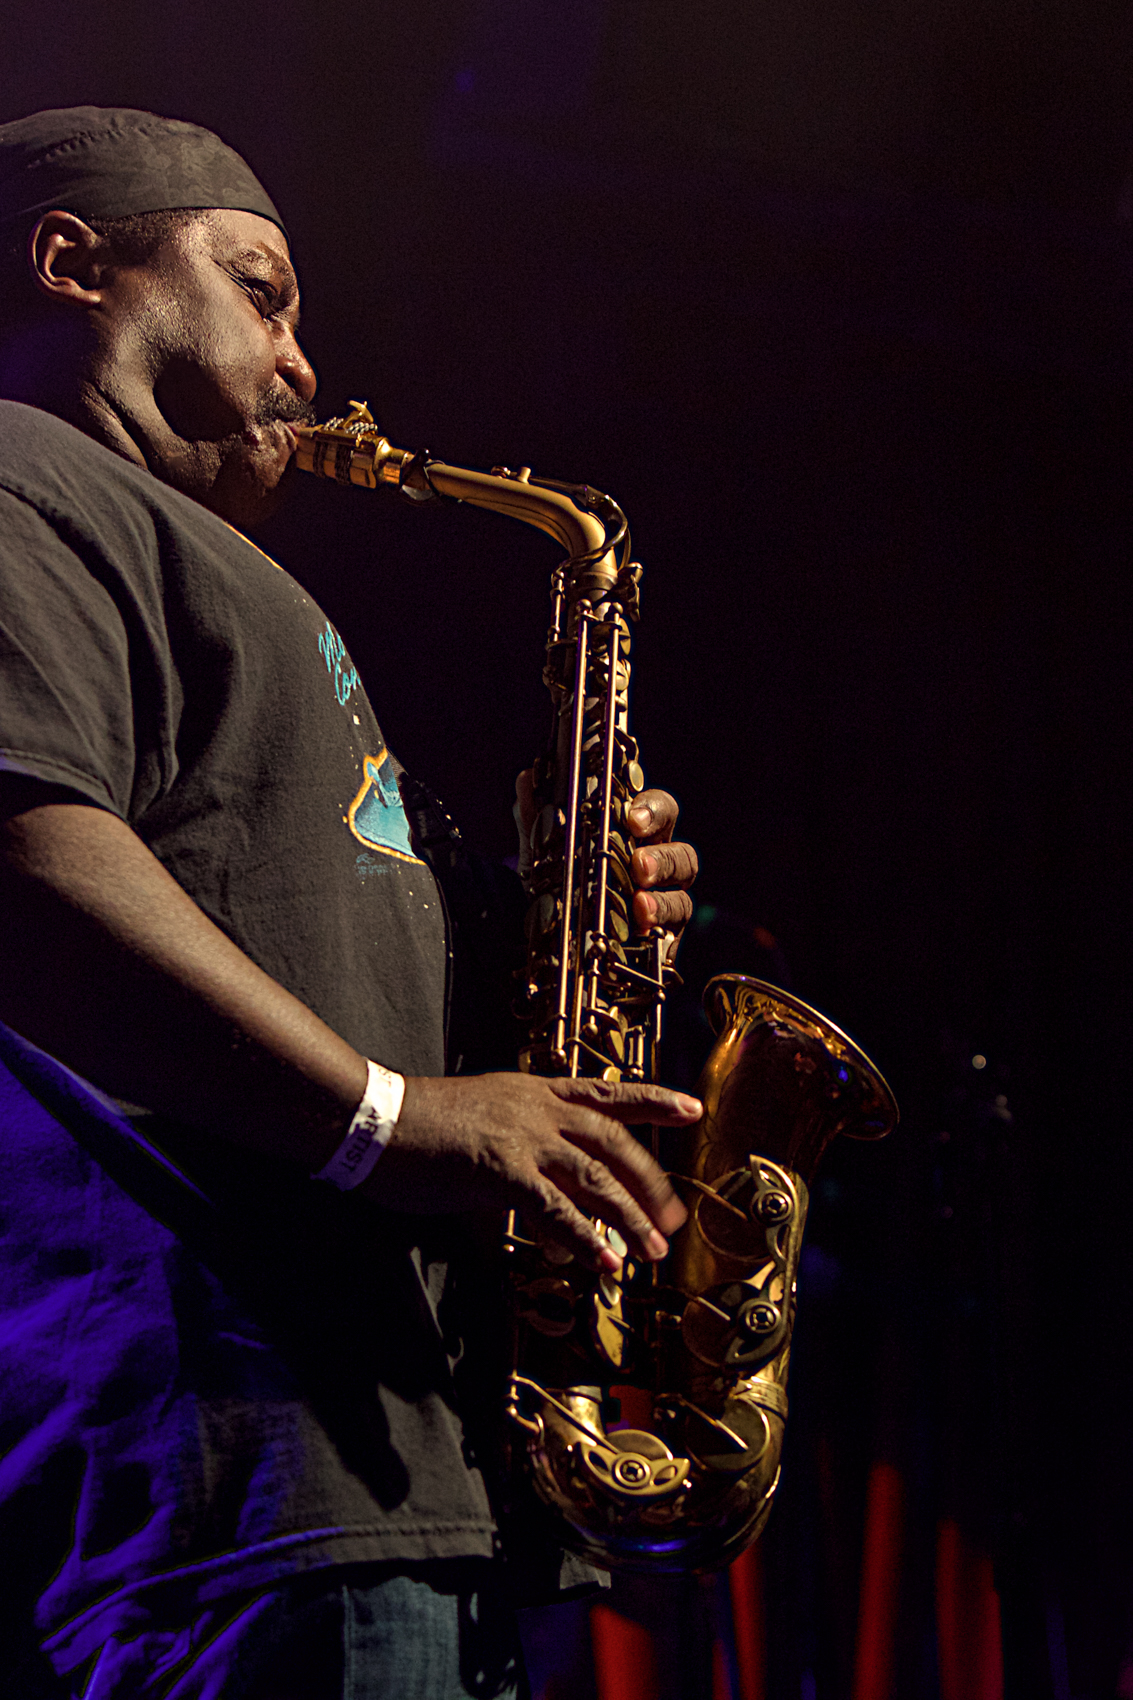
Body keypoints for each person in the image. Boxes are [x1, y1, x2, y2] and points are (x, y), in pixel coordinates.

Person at [0, 108, 701, 1698]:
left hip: (399, 1470)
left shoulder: (197, 561)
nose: (305, 364)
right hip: (246, 1453)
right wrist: (399, 1119)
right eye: (264, 291)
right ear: (68, 263)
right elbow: (25, 863)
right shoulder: (22, 473)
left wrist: (547, 897)